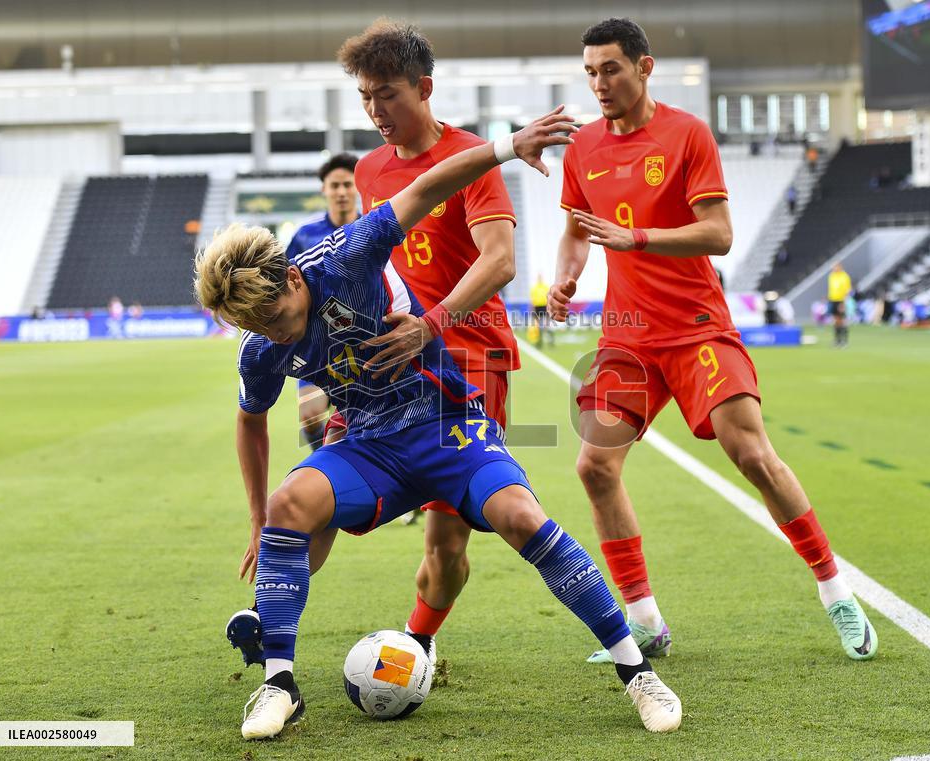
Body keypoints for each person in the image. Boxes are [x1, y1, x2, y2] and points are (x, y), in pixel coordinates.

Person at [194, 110, 683, 739]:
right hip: (369, 444)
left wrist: (507, 146)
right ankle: (277, 685)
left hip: (449, 424)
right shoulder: (262, 346)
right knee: (291, 505)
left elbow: (426, 188)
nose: (277, 334)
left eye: (279, 316)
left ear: (292, 277)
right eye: (260, 329)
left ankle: (636, 670)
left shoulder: (345, 256)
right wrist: (259, 520)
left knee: (521, 518)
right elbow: (250, 420)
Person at [548, 18, 877, 666]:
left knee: (750, 451)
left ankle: (835, 588)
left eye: (610, 68)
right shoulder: (582, 146)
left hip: (696, 324)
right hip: (629, 334)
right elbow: (577, 229)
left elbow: (720, 232)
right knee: (594, 464)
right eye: (589, 71)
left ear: (645, 68)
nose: (599, 82)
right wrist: (566, 272)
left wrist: (637, 237)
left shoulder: (685, 133)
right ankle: (645, 622)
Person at [224, 20, 522, 671]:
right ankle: (270, 611)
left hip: (469, 353)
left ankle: (417, 641)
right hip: (380, 365)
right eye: (364, 96)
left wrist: (434, 321)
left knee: (446, 541)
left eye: (385, 94)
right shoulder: (368, 168)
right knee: (320, 486)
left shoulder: (470, 155)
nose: (374, 109)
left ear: (424, 88)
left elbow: (500, 262)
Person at [287, 153, 361, 450]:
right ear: (324, 190)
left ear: (357, 188)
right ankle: (325, 466)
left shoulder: (370, 227)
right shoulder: (306, 235)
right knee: (311, 416)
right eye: (335, 186)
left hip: (364, 343)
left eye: (347, 184)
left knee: (362, 422)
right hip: (318, 345)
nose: (342, 192)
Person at [828, 262, 851, 347]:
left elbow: (847, 290)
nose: (834, 269)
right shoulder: (831, 276)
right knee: (835, 321)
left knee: (842, 321)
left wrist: (844, 302)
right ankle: (837, 340)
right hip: (833, 300)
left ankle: (844, 340)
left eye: (835, 267)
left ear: (840, 267)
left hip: (841, 301)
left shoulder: (844, 276)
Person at [529, 273, 554, 347]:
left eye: (540, 277)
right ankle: (539, 342)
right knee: (538, 326)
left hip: (545, 307)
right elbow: (532, 300)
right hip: (537, 308)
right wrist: (532, 310)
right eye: (538, 277)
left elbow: (549, 298)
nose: (539, 279)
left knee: (547, 325)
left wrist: (549, 308)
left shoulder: (545, 287)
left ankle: (551, 341)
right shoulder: (534, 288)